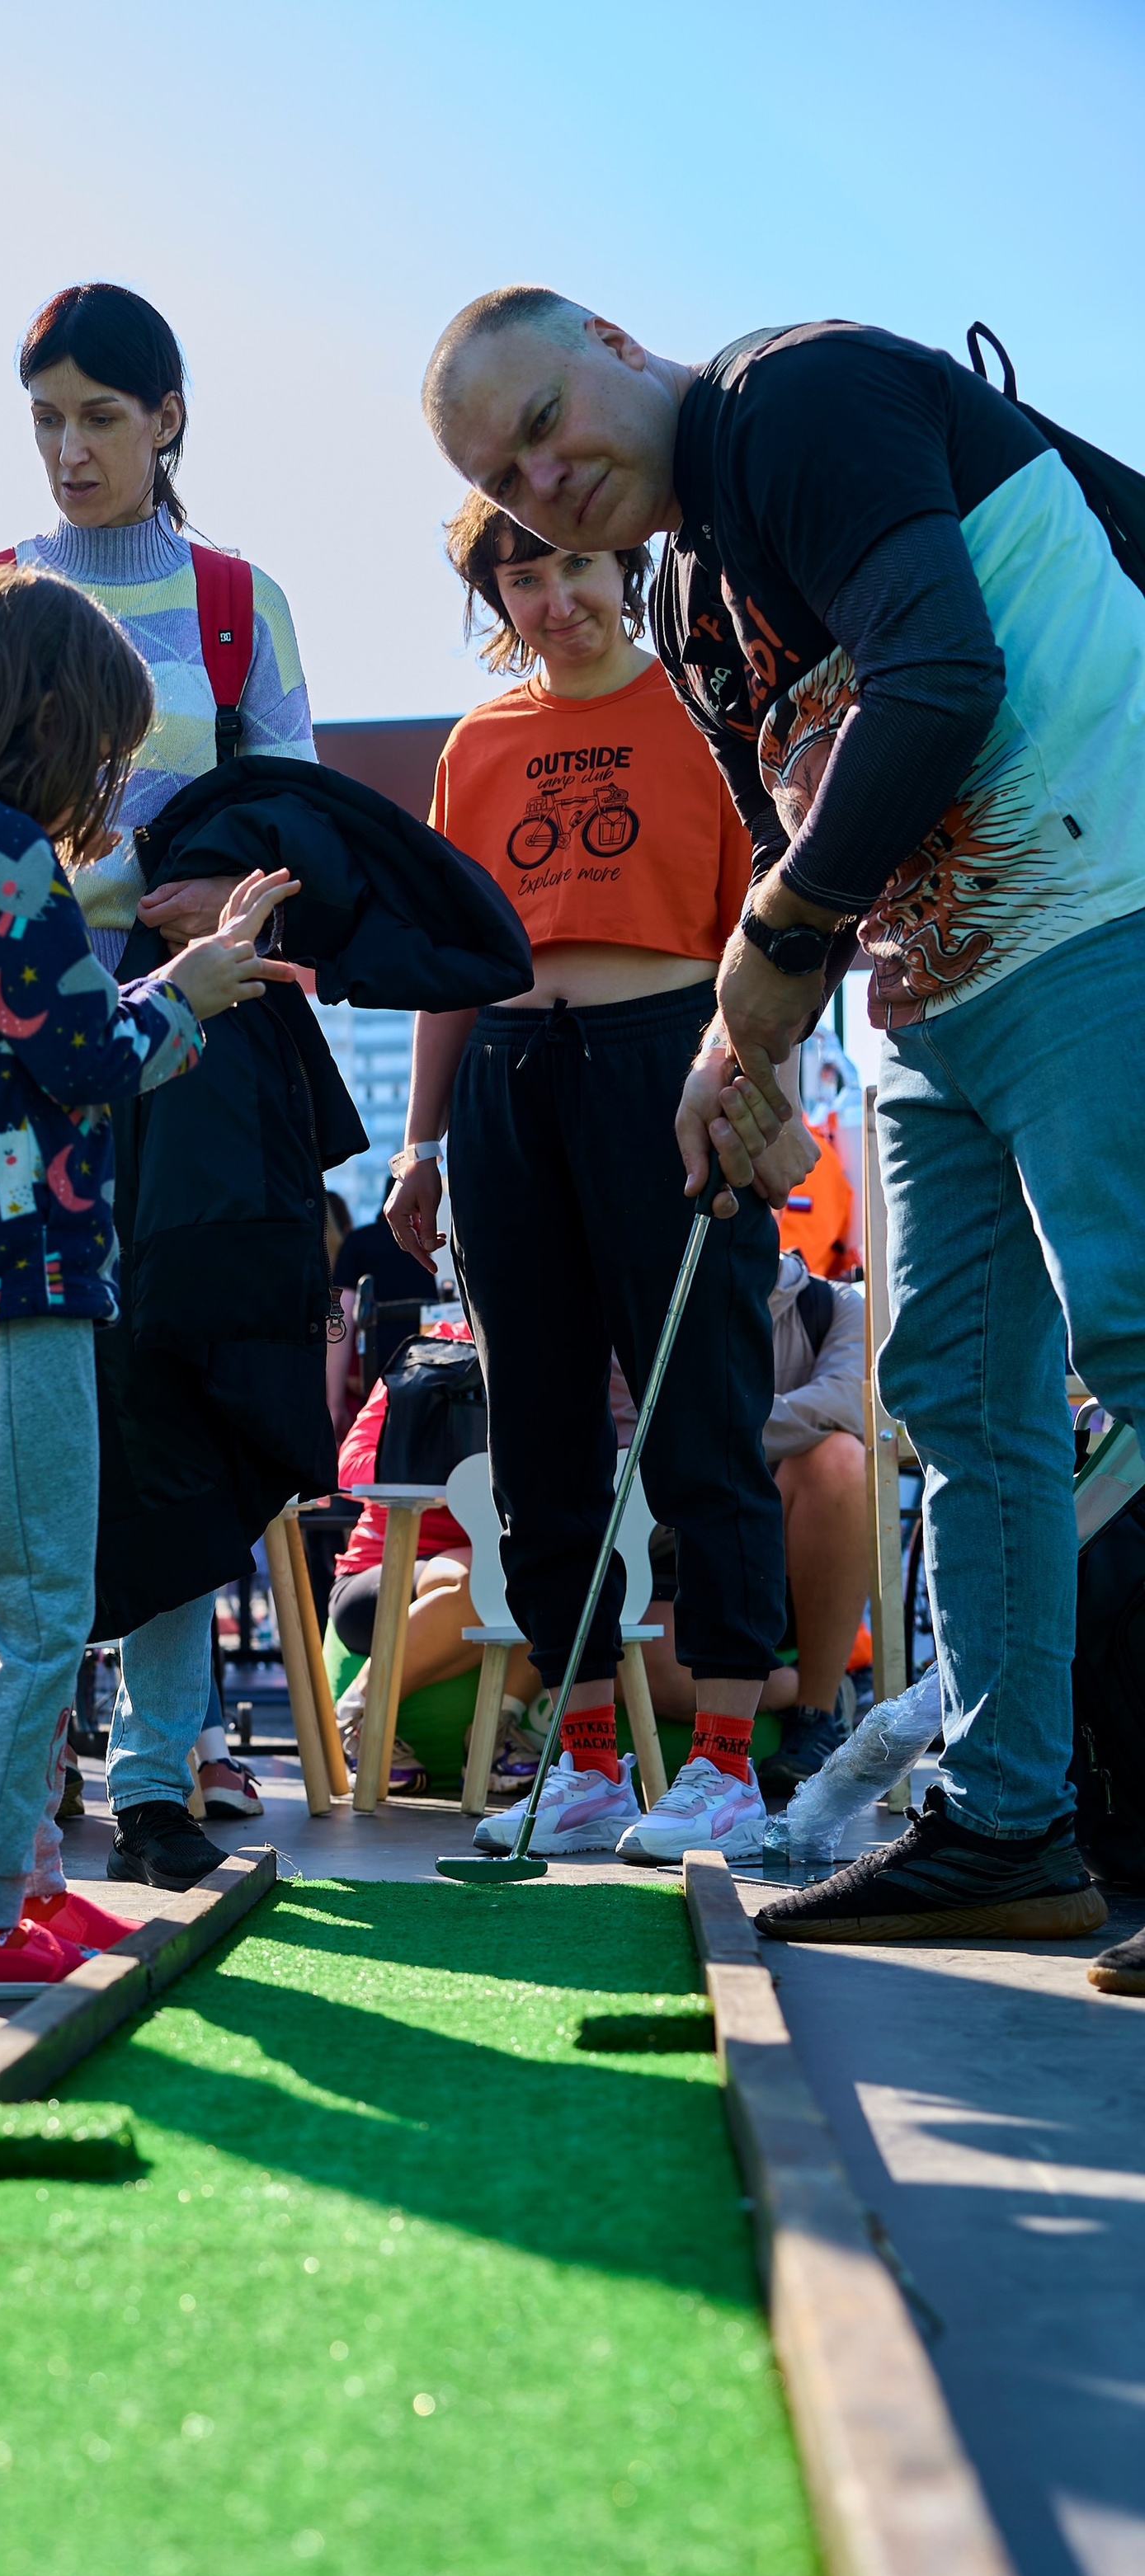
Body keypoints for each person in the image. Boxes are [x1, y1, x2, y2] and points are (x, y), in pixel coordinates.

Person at [422, 287, 1138, 1955]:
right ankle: (1008, 1822)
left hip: (1095, 904)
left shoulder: (789, 402)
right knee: (956, 1395)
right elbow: (781, 836)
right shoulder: (682, 595)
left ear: (612, 339)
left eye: (543, 419)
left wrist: (775, 950)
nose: (544, 479)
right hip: (930, 996)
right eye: (505, 484)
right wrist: (731, 1066)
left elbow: (936, 676)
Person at [0, 282, 317, 1898]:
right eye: (44, 415)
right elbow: (42, 1005)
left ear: (164, 418)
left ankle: (145, 1777)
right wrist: (155, 976)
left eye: (99, 415)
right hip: (42, 1095)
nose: (68, 447)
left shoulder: (237, 606)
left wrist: (203, 907)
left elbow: (290, 829)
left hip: (78, 1116)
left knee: (152, 1414)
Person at [384, 495, 797, 1865]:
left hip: (671, 1064)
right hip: (507, 1074)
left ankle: (729, 1765)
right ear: (492, 599)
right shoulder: (478, 745)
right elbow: (453, 962)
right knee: (540, 1434)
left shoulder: (704, 713)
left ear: (622, 562)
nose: (552, 599)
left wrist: (758, 1078)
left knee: (701, 1417)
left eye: (570, 565)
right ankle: (583, 1763)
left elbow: (777, 919)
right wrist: (422, 1144)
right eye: (520, 579)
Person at [634, 1251, 869, 1794]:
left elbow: (846, 1406)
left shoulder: (838, 1305)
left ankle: (815, 1717)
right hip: (673, 1541)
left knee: (841, 1457)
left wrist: (709, 1426)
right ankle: (823, 1692)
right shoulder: (651, 1291)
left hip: (784, 1548)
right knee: (664, 1675)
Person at [326, 1357, 540, 1798]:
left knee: (548, 1570)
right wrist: (445, 1471)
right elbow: (350, 1464)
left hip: (495, 1566)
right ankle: (354, 1717)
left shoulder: (540, 1366)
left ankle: (495, 1732)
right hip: (379, 1571)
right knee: (493, 1573)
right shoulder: (421, 1366)